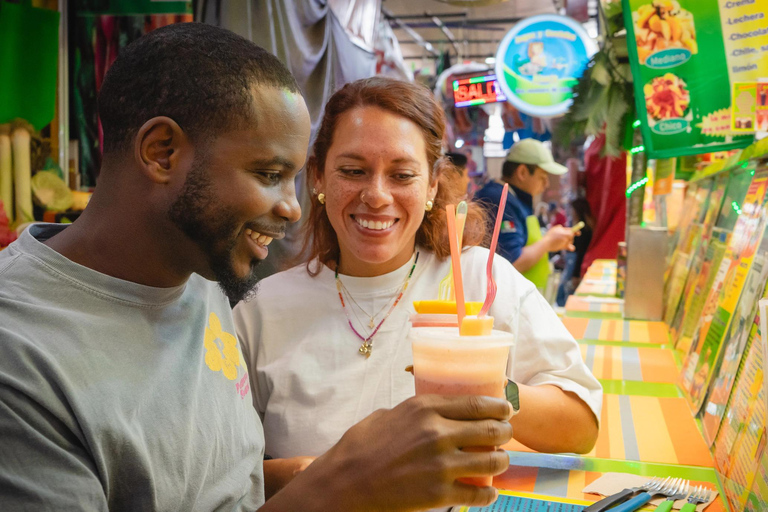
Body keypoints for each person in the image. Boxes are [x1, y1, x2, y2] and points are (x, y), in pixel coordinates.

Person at [0, 24, 516, 511]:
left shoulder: (199, 278)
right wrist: (341, 486)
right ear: (162, 153)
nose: (293, 208)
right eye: (268, 174)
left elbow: (213, 488)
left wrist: (316, 473)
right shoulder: (22, 355)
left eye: (293, 179)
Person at [234, 77, 602, 497]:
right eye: (353, 171)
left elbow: (580, 425)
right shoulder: (260, 310)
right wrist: (320, 475)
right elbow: (218, 471)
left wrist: (489, 387)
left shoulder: (482, 280)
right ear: (318, 177)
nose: (376, 196)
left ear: (430, 186)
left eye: (402, 175)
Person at [474, 139, 577, 291]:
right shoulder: (499, 199)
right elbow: (512, 261)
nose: (546, 184)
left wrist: (552, 242)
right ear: (522, 172)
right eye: (542, 177)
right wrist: (547, 242)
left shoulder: (515, 199)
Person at [556, 198, 595, 306]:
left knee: (566, 291)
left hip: (573, 263)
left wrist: (576, 274)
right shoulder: (583, 226)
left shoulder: (583, 229)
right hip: (572, 262)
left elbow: (580, 253)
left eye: (571, 209)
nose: (569, 211)